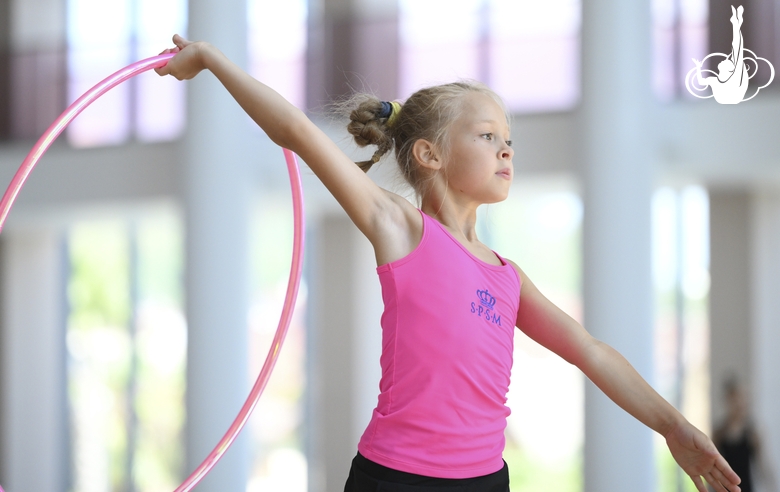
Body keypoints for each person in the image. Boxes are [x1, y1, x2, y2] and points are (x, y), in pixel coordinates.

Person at [156, 34, 742, 492]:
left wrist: (674, 426)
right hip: (396, 480)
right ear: (429, 154)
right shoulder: (399, 226)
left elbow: (592, 353)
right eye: (487, 135)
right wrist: (210, 60)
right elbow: (297, 131)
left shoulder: (507, 276)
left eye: (508, 137)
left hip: (486, 482)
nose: (506, 147)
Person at [713, 378, 777, 492]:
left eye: (742, 398)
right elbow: (713, 468)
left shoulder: (753, 434)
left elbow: (763, 467)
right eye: (734, 398)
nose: (739, 403)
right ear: (727, 400)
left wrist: (773, 486)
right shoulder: (719, 434)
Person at [692, 5, 748, 104]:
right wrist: (698, 67)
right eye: (728, 60)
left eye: (728, 61)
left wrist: (736, 26)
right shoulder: (715, 80)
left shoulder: (734, 79)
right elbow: (701, 82)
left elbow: (737, 48)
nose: (725, 59)